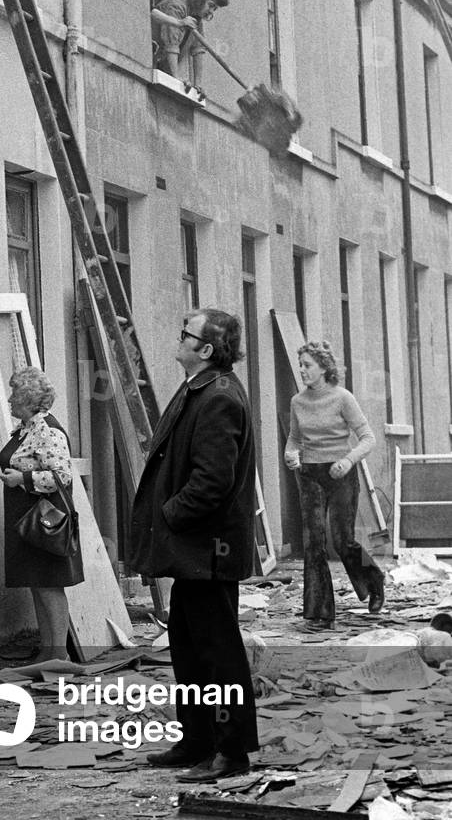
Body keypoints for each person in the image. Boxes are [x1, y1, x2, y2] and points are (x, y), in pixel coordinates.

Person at [130, 309, 259, 782]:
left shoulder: (220, 397)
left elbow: (213, 481)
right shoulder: (200, 388)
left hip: (209, 550)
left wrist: (169, 515)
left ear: (206, 350)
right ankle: (197, 741)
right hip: (196, 553)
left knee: (216, 653)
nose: (179, 339)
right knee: (187, 647)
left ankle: (231, 752)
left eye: (187, 334)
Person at [284, 341, 385, 631]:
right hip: (309, 474)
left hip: (340, 473)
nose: (302, 370)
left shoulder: (343, 398)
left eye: (307, 365)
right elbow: (294, 438)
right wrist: (291, 455)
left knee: (342, 541)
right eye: (300, 364)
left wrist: (348, 461)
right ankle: (320, 612)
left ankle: (374, 582)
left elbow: (368, 437)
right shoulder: (297, 402)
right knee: (313, 543)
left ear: (324, 368)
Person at [0, 366, 84, 662]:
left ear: (28, 399)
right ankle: (47, 654)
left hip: (44, 520)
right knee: (39, 584)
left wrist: (21, 480)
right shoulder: (27, 428)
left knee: (49, 585)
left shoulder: (47, 429)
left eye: (14, 394)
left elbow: (62, 476)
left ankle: (59, 657)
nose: (10, 400)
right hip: (27, 519)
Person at [151, 0, 229, 99]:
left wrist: (198, 84)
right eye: (210, 5)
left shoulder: (197, 20)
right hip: (152, 65)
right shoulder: (176, 7)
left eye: (214, 9)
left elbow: (198, 50)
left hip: (163, 69)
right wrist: (176, 78)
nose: (211, 12)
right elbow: (172, 44)